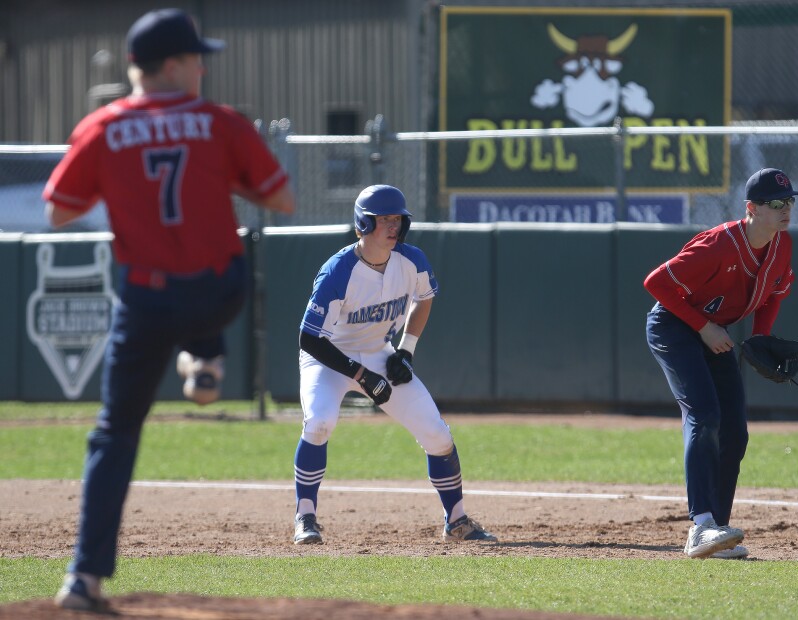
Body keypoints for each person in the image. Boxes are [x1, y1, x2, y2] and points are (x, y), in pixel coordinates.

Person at [44, 8, 295, 611]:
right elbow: (282, 199)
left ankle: (83, 579)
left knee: (114, 433)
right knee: (227, 264)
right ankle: (205, 357)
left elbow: (57, 210)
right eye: (196, 57)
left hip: (145, 299)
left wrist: (121, 187)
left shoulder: (103, 126)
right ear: (175, 64)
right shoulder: (219, 122)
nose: (203, 67)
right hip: (216, 290)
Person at [293, 184, 496, 545]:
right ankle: (305, 516)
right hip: (328, 358)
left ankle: (457, 521)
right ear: (363, 224)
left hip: (378, 351)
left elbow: (425, 298)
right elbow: (310, 339)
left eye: (397, 218)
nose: (392, 225)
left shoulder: (412, 260)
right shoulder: (337, 271)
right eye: (383, 219)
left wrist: (406, 351)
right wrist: (360, 375)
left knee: (437, 434)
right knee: (320, 422)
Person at [643, 167, 798, 560]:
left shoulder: (781, 245)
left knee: (735, 431)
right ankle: (700, 526)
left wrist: (761, 335)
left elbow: (774, 294)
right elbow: (656, 283)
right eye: (776, 203)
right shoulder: (719, 245)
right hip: (675, 327)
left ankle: (718, 531)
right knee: (705, 415)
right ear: (751, 208)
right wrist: (703, 327)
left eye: (790, 202)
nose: (786, 210)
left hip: (714, 331)